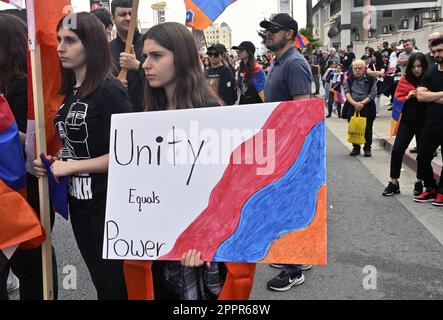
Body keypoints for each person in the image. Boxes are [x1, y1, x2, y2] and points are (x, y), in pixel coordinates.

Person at [140, 22, 254, 300]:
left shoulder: (211, 113)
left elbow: (230, 190)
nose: (145, 64)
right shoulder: (148, 114)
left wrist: (205, 238)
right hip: (161, 243)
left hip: (202, 253)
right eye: (145, 56)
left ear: (181, 59)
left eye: (156, 56)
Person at [33, 12, 133, 299]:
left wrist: (71, 166)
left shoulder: (110, 90)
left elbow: (130, 154)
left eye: (71, 40)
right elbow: (76, 148)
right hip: (79, 206)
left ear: (91, 45)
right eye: (60, 40)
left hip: (109, 207)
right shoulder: (70, 95)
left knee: (117, 288)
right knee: (102, 285)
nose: (61, 47)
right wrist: (55, 160)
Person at [0, 13, 59, 300]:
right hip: (6, 188)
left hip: (29, 185)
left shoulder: (27, 85)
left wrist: (5, 128)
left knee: (35, 260)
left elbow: (31, 141)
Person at [259, 13, 313, 292]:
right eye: (267, 30)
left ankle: (293, 270)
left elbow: (301, 112)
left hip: (288, 148)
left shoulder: (293, 63)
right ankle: (298, 257)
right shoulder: (280, 61)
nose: (269, 34)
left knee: (288, 206)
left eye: (274, 30)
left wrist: (291, 155)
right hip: (276, 145)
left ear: (290, 34)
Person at [382, 53, 429, 197]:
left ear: (424, 67)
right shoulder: (404, 80)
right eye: (414, 66)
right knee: (397, 150)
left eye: (419, 66)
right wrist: (408, 97)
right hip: (407, 121)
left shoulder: (429, 79)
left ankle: (419, 181)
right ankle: (394, 182)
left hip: (425, 122)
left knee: (423, 154)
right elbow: (397, 99)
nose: (417, 70)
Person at [415, 36, 443, 206]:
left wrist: (430, 96)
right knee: (422, 158)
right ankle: (431, 188)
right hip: (430, 123)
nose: (436, 54)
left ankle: (442, 191)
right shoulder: (431, 72)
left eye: (440, 50)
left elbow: (426, 95)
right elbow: (420, 95)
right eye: (434, 52)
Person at [110, 0, 145, 112]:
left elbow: (163, 76)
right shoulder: (106, 50)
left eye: (131, 13)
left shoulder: (150, 43)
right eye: (122, 14)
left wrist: (138, 66)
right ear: (113, 18)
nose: (128, 18)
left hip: (149, 110)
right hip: (118, 111)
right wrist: (114, 85)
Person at [344, 60, 377, 157]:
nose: (357, 70)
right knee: (355, 127)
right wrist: (355, 103)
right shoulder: (349, 79)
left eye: (360, 68)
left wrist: (362, 103)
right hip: (353, 106)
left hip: (367, 106)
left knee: (368, 128)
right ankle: (356, 147)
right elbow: (347, 92)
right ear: (352, 69)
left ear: (364, 68)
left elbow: (373, 93)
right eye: (355, 68)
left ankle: (367, 148)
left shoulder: (371, 79)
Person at [367, 51, 386, 116]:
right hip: (372, 81)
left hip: (379, 81)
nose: (372, 57)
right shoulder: (371, 64)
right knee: (372, 96)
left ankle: (376, 111)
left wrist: (373, 73)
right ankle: (372, 110)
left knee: (378, 96)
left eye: (373, 56)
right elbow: (368, 72)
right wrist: (376, 73)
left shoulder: (381, 63)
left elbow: (382, 73)